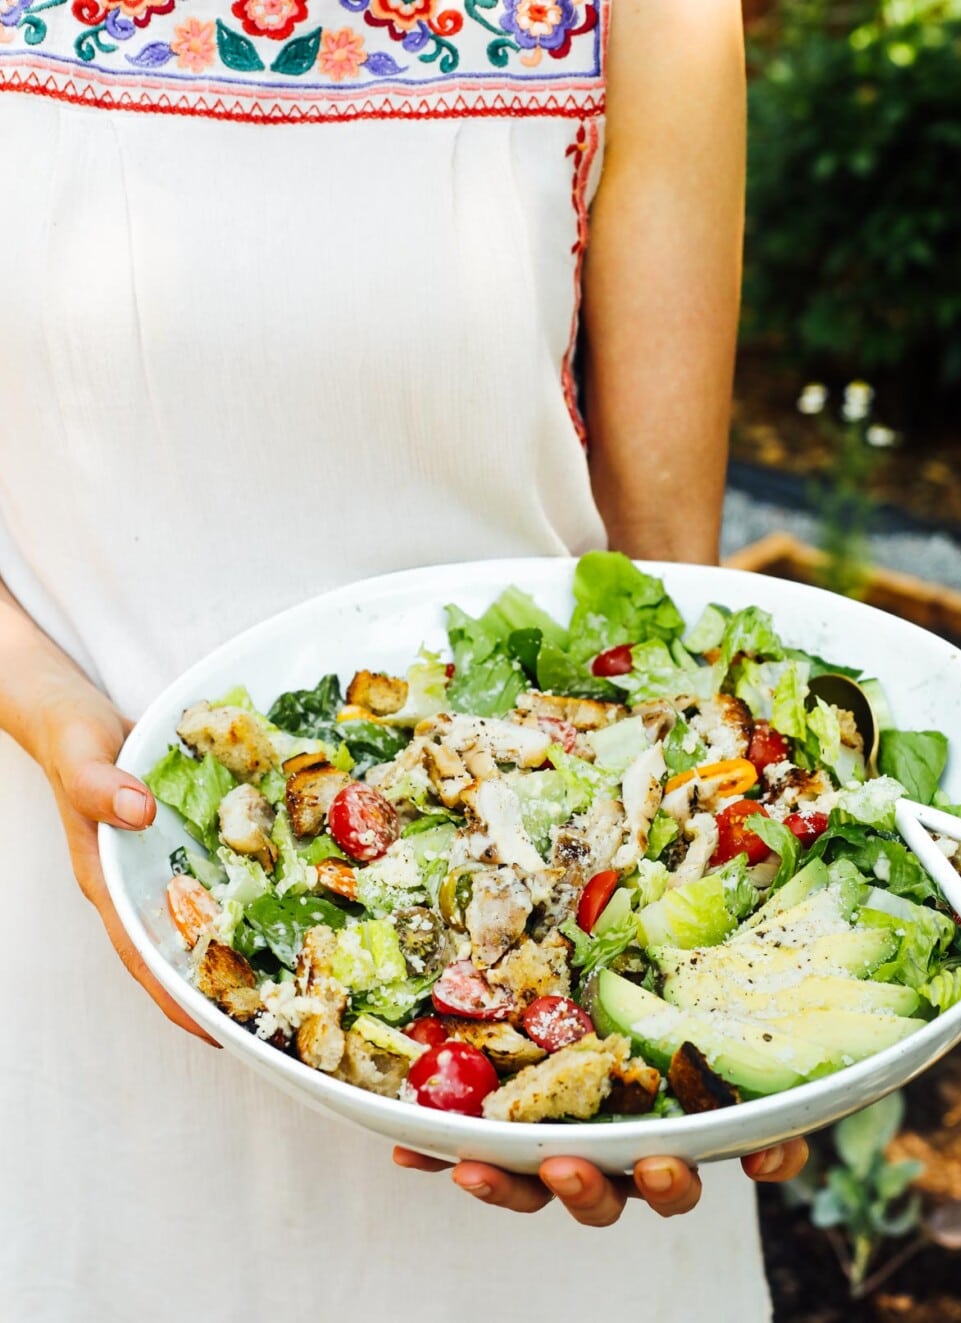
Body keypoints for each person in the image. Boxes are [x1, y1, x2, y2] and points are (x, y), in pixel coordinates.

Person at [0, 0, 807, 1318]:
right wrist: (39, 704)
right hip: (63, 958)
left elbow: (656, 588)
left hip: (530, 1001)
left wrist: (711, 1005)